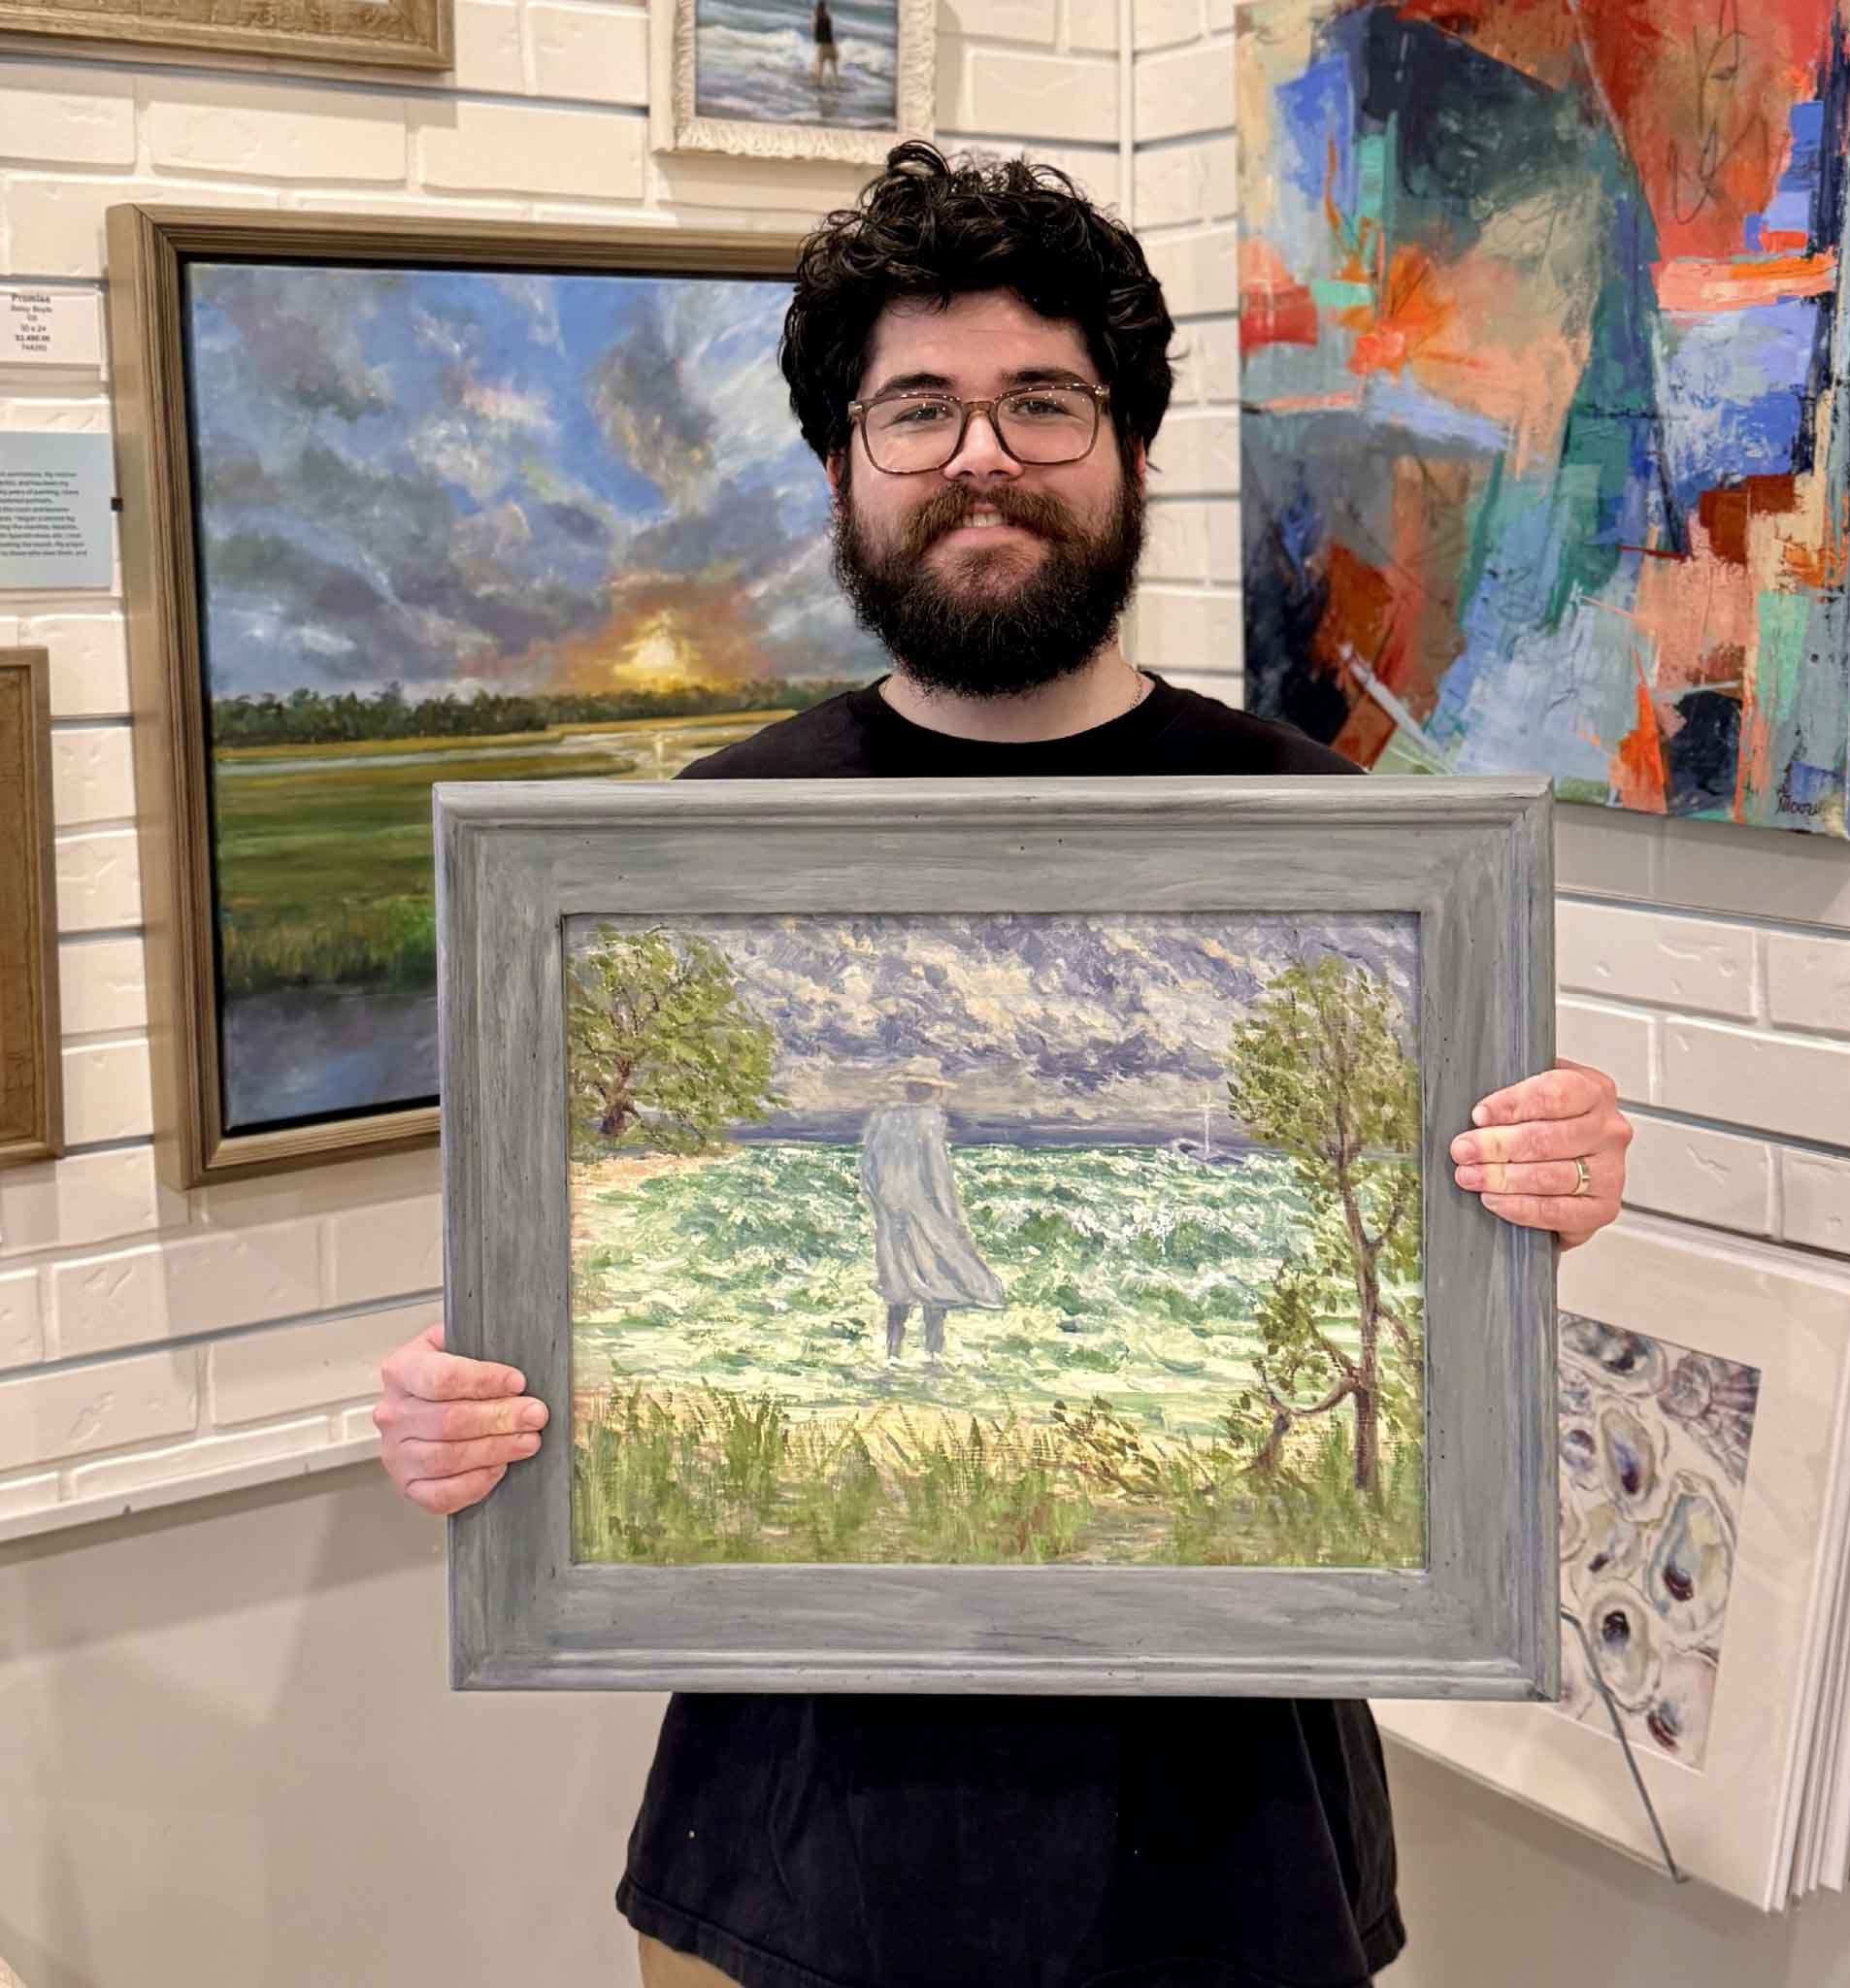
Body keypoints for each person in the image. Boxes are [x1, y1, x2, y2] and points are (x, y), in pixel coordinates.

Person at [376, 144, 1634, 1988]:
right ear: (843, 470)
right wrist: (461, 1404)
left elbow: (1438, 1279)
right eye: (920, 410)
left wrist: (1544, 1184)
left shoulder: (1325, 838)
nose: (981, 453)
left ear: (1124, 449)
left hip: (1237, 1844)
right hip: (793, 1853)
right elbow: (591, 1296)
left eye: (1041, 402)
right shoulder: (688, 858)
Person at [860, 1065, 1004, 1359]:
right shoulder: (930, 1121)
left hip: (891, 1214)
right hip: (927, 1213)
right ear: (931, 1091)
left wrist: (879, 1205)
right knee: (935, 1284)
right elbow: (937, 1175)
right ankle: (932, 1357)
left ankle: (893, 1355)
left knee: (898, 1286)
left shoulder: (882, 1120)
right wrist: (950, 1217)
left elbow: (868, 1171)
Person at [811, 2, 839, 87]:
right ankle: (837, 83)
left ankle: (818, 83)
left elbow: (815, 32)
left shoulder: (816, 19)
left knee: (820, 66)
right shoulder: (828, 18)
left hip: (822, 46)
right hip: (831, 45)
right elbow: (830, 28)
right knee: (833, 66)